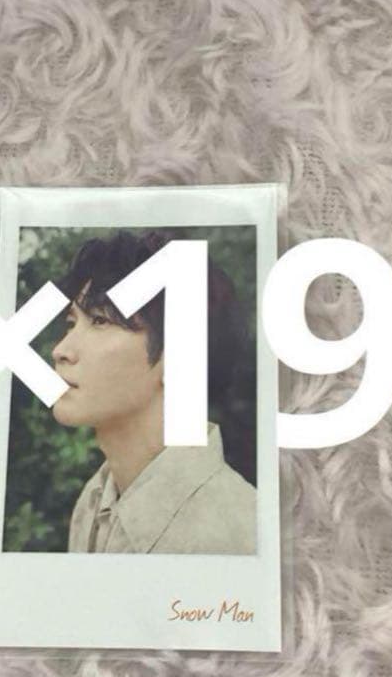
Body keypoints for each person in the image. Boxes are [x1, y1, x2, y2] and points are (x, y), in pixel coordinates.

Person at [50, 230, 256, 555]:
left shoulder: (236, 531)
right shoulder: (93, 501)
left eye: (100, 321)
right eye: (71, 323)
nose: (61, 350)